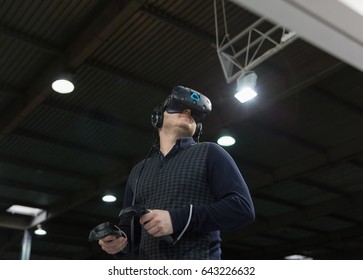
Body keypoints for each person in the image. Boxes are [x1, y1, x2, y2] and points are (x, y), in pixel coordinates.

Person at [98, 85, 255, 259]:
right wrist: (118, 243)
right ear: (157, 118)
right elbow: (131, 232)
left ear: (199, 128)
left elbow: (242, 208)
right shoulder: (138, 171)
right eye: (178, 107)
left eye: (194, 113)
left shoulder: (210, 152)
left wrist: (177, 219)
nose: (187, 112)